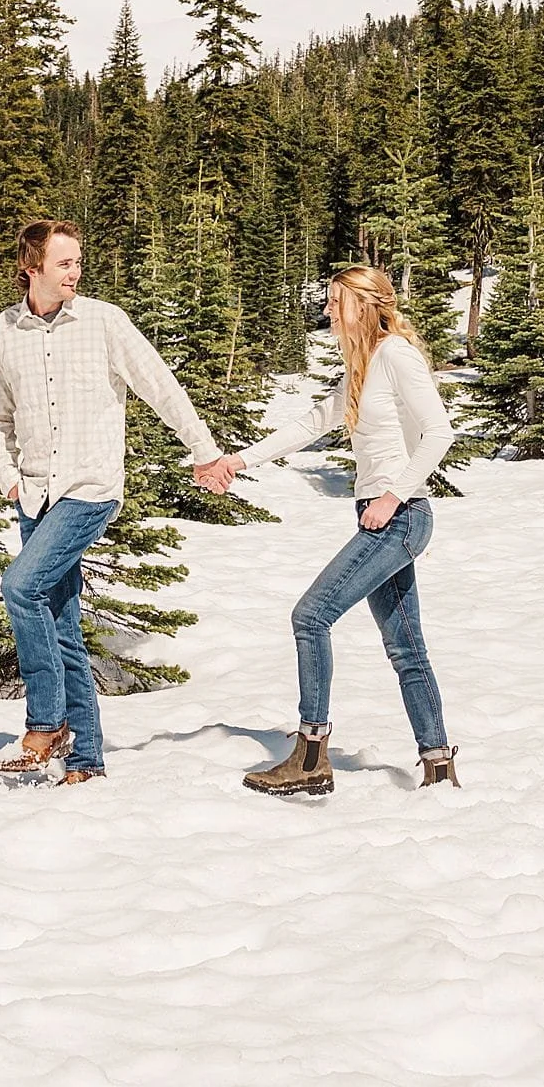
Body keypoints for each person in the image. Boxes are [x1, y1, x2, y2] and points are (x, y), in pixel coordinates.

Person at [197, 264, 459, 797]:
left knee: (310, 616)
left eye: (335, 302)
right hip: (383, 516)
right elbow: (312, 423)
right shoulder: (364, 365)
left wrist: (393, 495)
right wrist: (237, 461)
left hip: (400, 517)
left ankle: (312, 754)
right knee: (406, 648)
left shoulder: (397, 355)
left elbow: (439, 432)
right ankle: (437, 765)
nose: (326, 311)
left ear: (361, 305)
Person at [0, 219, 225, 785]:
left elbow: (160, 386)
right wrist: (7, 477)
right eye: (64, 262)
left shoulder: (104, 321)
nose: (76, 271)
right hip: (34, 494)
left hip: (89, 489)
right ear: (31, 267)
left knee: (20, 586)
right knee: (60, 622)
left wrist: (203, 450)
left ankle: (45, 724)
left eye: (79, 261)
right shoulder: (2, 331)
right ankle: (85, 760)